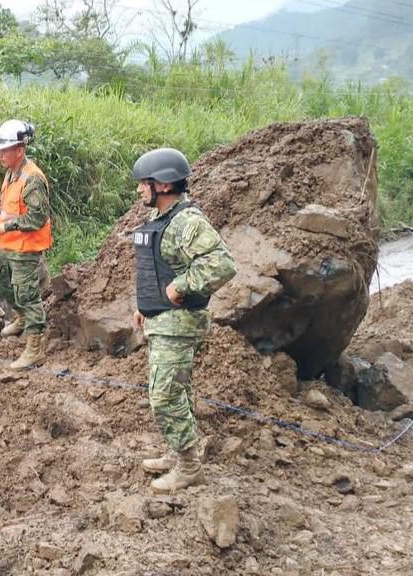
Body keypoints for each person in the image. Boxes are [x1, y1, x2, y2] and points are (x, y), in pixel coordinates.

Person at [130, 148, 236, 493]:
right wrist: (146, 306)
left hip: (178, 324)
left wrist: (183, 286)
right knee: (177, 391)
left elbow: (221, 264)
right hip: (162, 319)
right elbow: (158, 268)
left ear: (162, 185)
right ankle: (179, 452)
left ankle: (189, 467)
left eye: (143, 183)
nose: (139, 190)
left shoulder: (187, 221)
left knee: (163, 396)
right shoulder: (162, 219)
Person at [0, 119, 53, 371]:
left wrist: (7, 226)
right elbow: (11, 208)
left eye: (4, 150)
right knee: (2, 282)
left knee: (27, 295)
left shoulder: (32, 178)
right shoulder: (11, 172)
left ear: (20, 150)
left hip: (26, 247)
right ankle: (22, 318)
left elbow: (36, 218)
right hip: (10, 245)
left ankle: (34, 349)